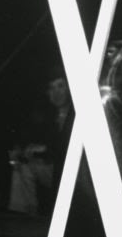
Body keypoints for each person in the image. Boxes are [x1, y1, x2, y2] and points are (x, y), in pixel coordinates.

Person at [7, 67, 73, 215]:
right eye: (51, 88)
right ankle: (24, 215)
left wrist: (45, 149)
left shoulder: (77, 112)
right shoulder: (47, 114)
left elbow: (66, 147)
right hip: (54, 171)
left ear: (69, 88)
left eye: (61, 86)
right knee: (21, 165)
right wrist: (21, 150)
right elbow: (31, 139)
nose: (56, 93)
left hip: (76, 175)